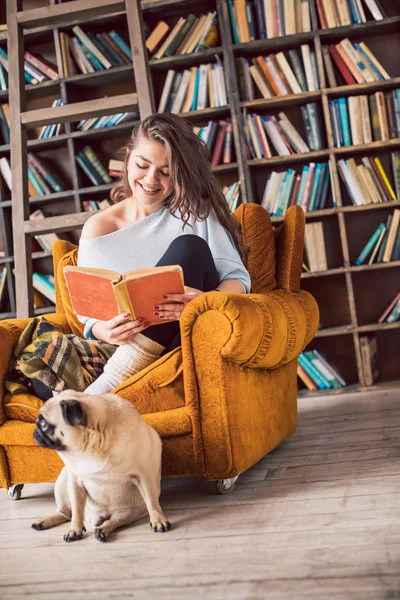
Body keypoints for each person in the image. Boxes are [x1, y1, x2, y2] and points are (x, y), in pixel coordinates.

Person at [78, 113, 251, 395]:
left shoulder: (196, 214)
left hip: (185, 340)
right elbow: (88, 317)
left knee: (189, 247)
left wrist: (207, 301)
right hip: (121, 348)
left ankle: (106, 389)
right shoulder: (98, 229)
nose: (150, 179)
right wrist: (104, 331)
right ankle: (112, 381)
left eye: (165, 172)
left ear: (180, 174)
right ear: (128, 158)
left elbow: (238, 279)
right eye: (142, 165)